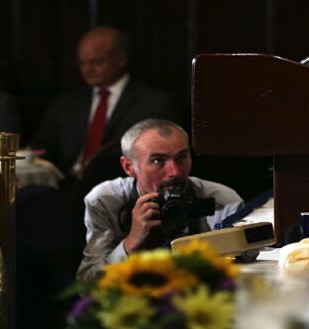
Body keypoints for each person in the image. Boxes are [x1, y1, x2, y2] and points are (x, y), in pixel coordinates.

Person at [78, 119, 243, 280]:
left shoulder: (221, 199)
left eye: (181, 157)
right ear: (129, 167)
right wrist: (130, 243)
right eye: (158, 161)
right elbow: (88, 283)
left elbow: (245, 265)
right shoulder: (106, 201)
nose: (175, 172)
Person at [30, 26, 177, 179]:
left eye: (96, 62)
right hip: (66, 186)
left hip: (125, 188)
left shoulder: (155, 103)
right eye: (82, 63)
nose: (87, 70)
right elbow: (40, 148)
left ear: (121, 59)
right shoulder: (65, 103)